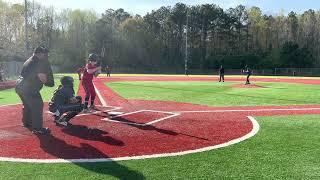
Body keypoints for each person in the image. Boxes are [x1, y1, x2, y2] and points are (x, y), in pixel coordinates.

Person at [15, 47, 54, 134]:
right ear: (39, 54)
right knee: (37, 105)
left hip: (19, 86)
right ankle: (37, 129)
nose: (46, 56)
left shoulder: (29, 60)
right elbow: (42, 77)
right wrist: (49, 82)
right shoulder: (38, 62)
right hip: (29, 88)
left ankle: (27, 122)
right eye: (44, 54)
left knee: (27, 105)